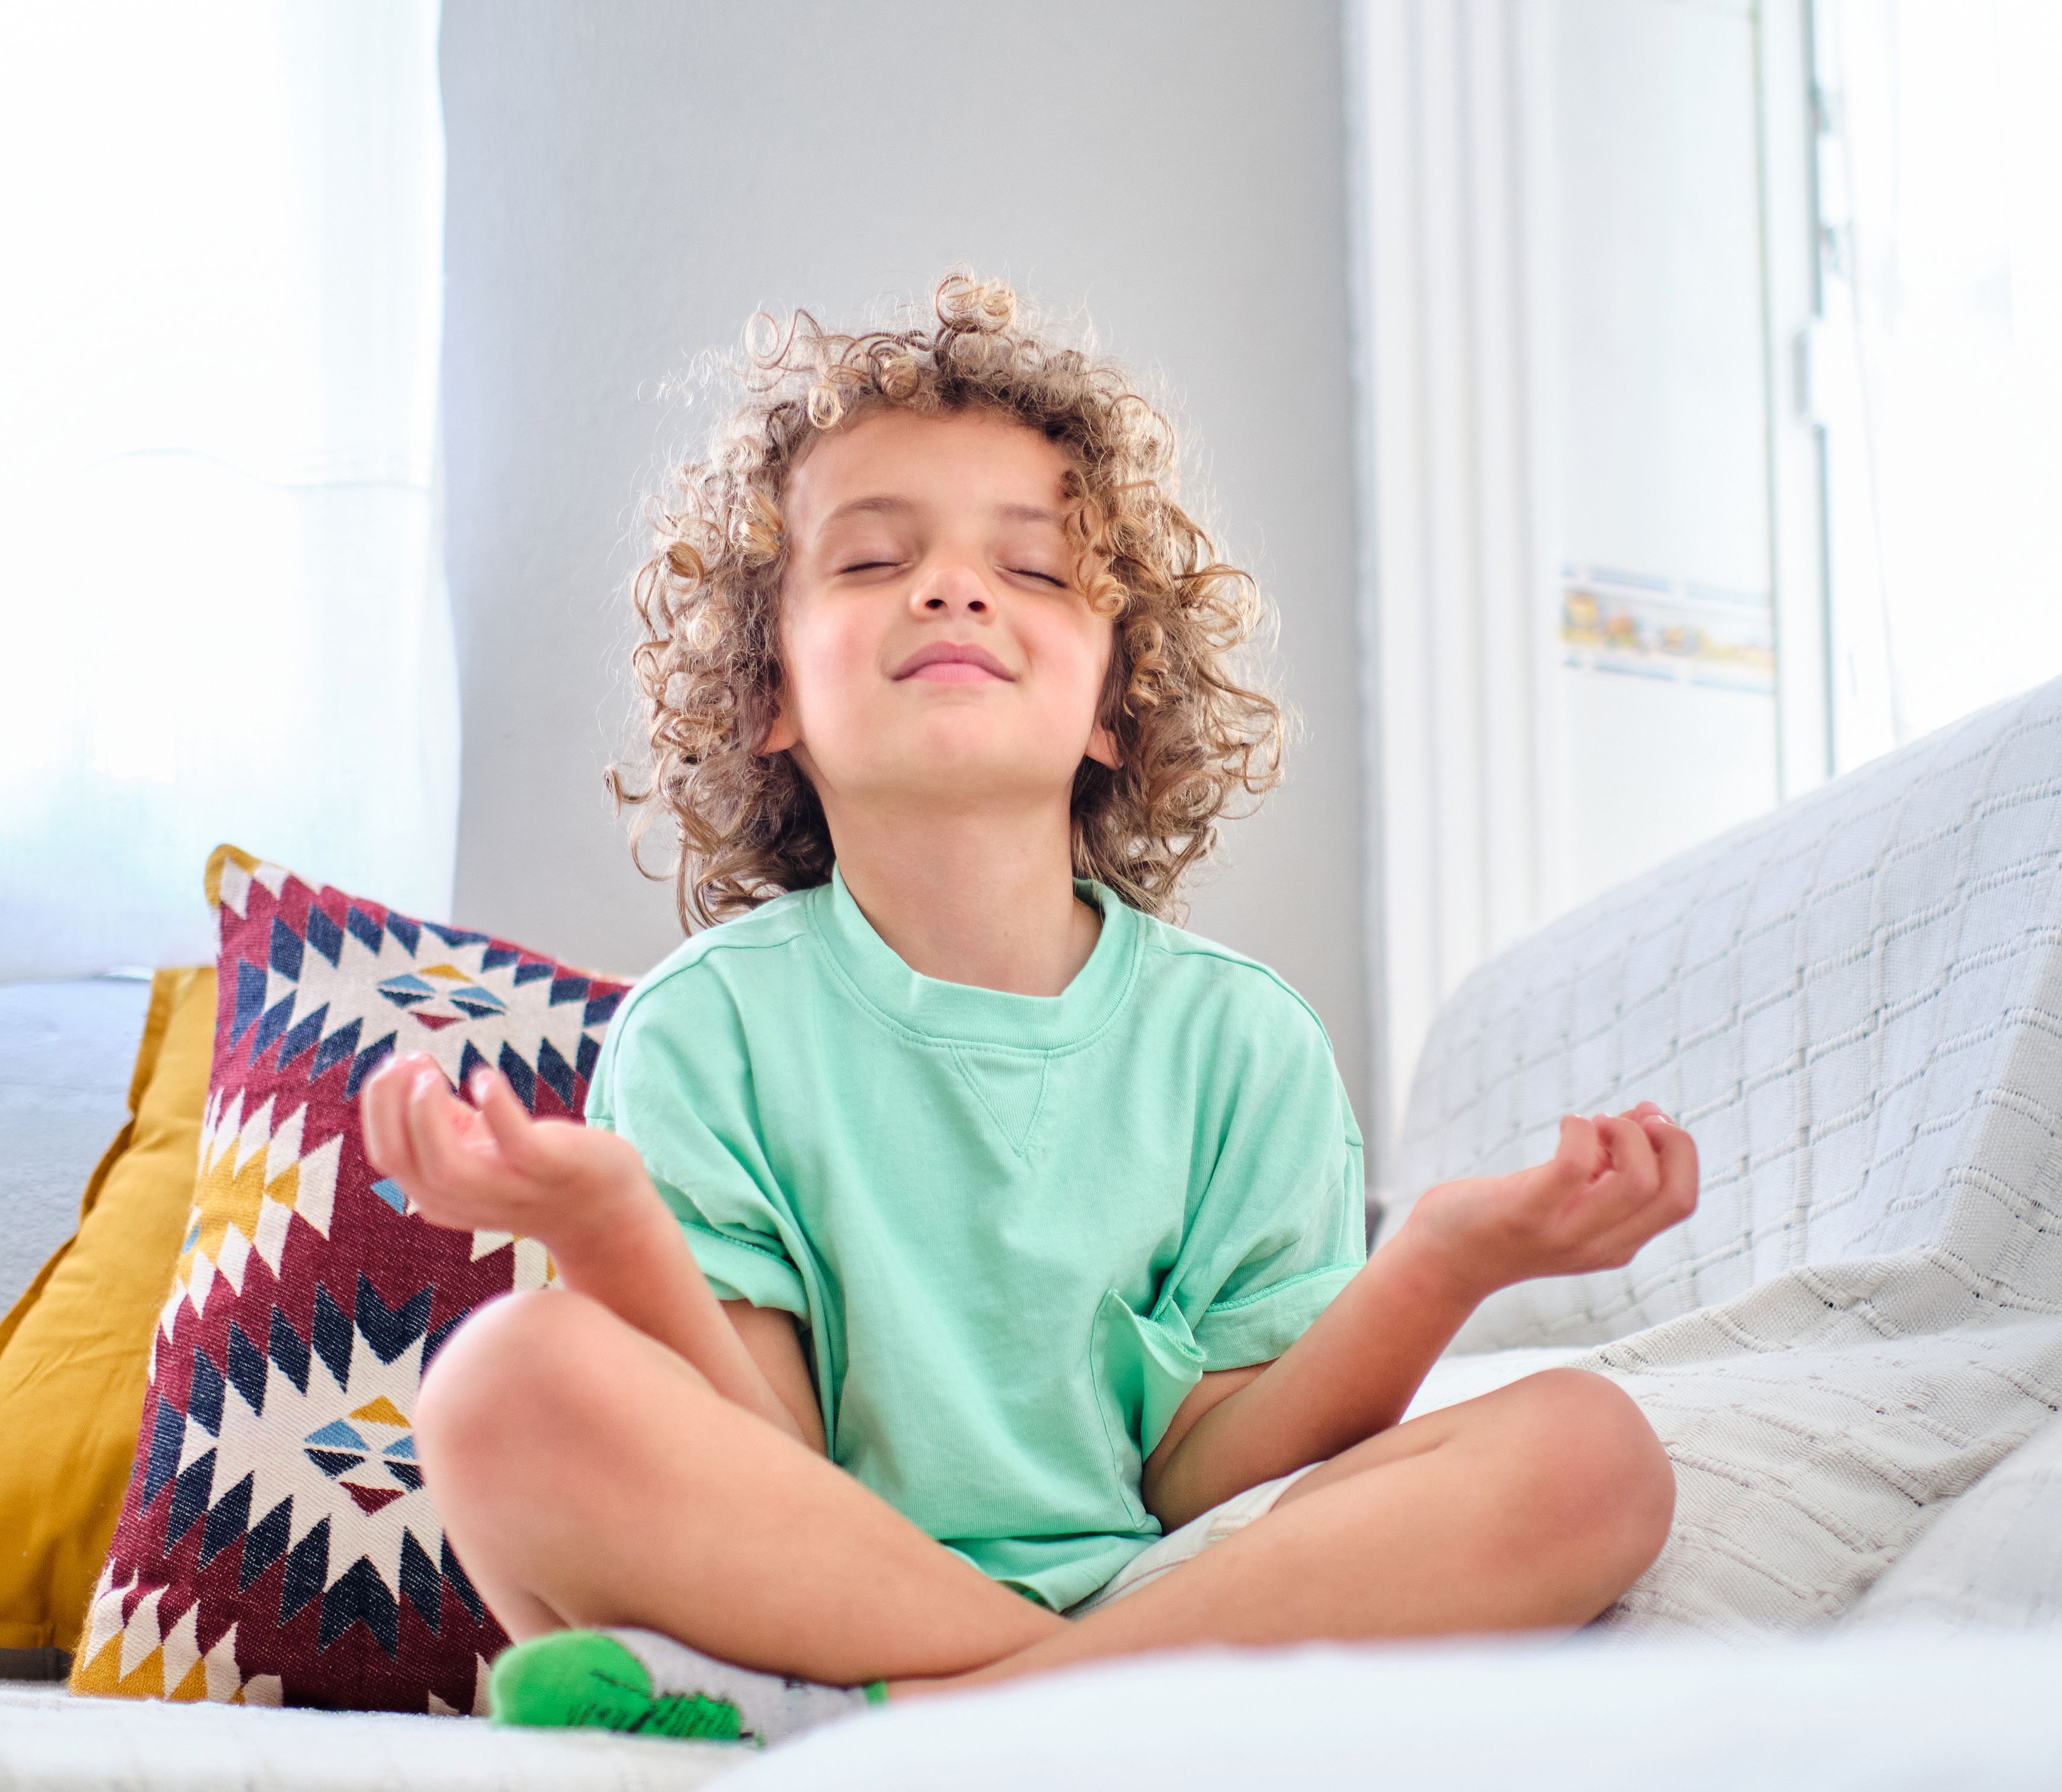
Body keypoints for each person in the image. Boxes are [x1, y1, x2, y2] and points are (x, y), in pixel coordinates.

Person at [360, 275, 1695, 1746]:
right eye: (873, 561)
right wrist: (609, 1227)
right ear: (769, 695)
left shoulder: (1241, 1048)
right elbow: (768, 1466)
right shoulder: (707, 1032)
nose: (952, 587)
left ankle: (915, 1725)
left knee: (1597, 1456)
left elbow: (1209, 1479)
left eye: (1039, 572)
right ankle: (1019, 1714)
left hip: (1161, 1584)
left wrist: (1443, 1258)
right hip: (800, 1599)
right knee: (504, 1385)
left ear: (1117, 700)